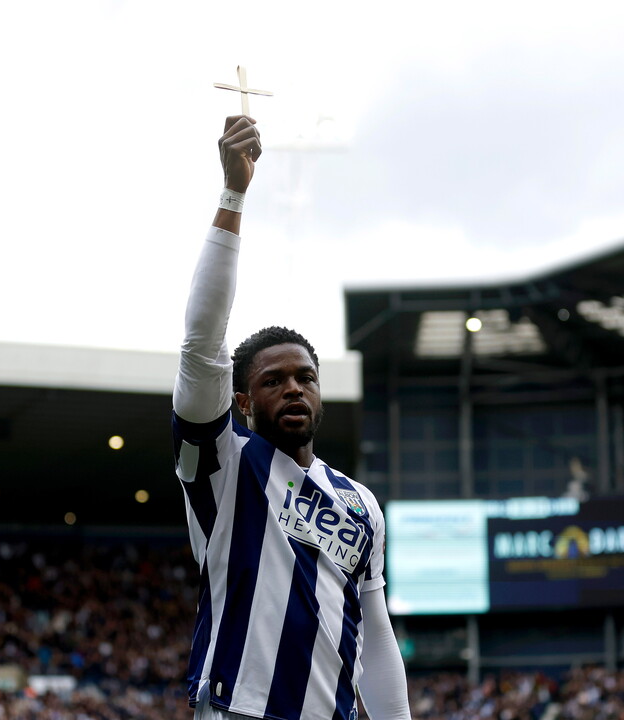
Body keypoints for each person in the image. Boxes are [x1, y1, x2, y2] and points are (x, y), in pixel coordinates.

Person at [172, 115, 411, 720]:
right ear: (243, 402)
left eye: (305, 377)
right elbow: (201, 344)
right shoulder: (225, 467)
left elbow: (376, 635)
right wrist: (233, 194)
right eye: (273, 381)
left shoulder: (361, 504)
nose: (294, 389)